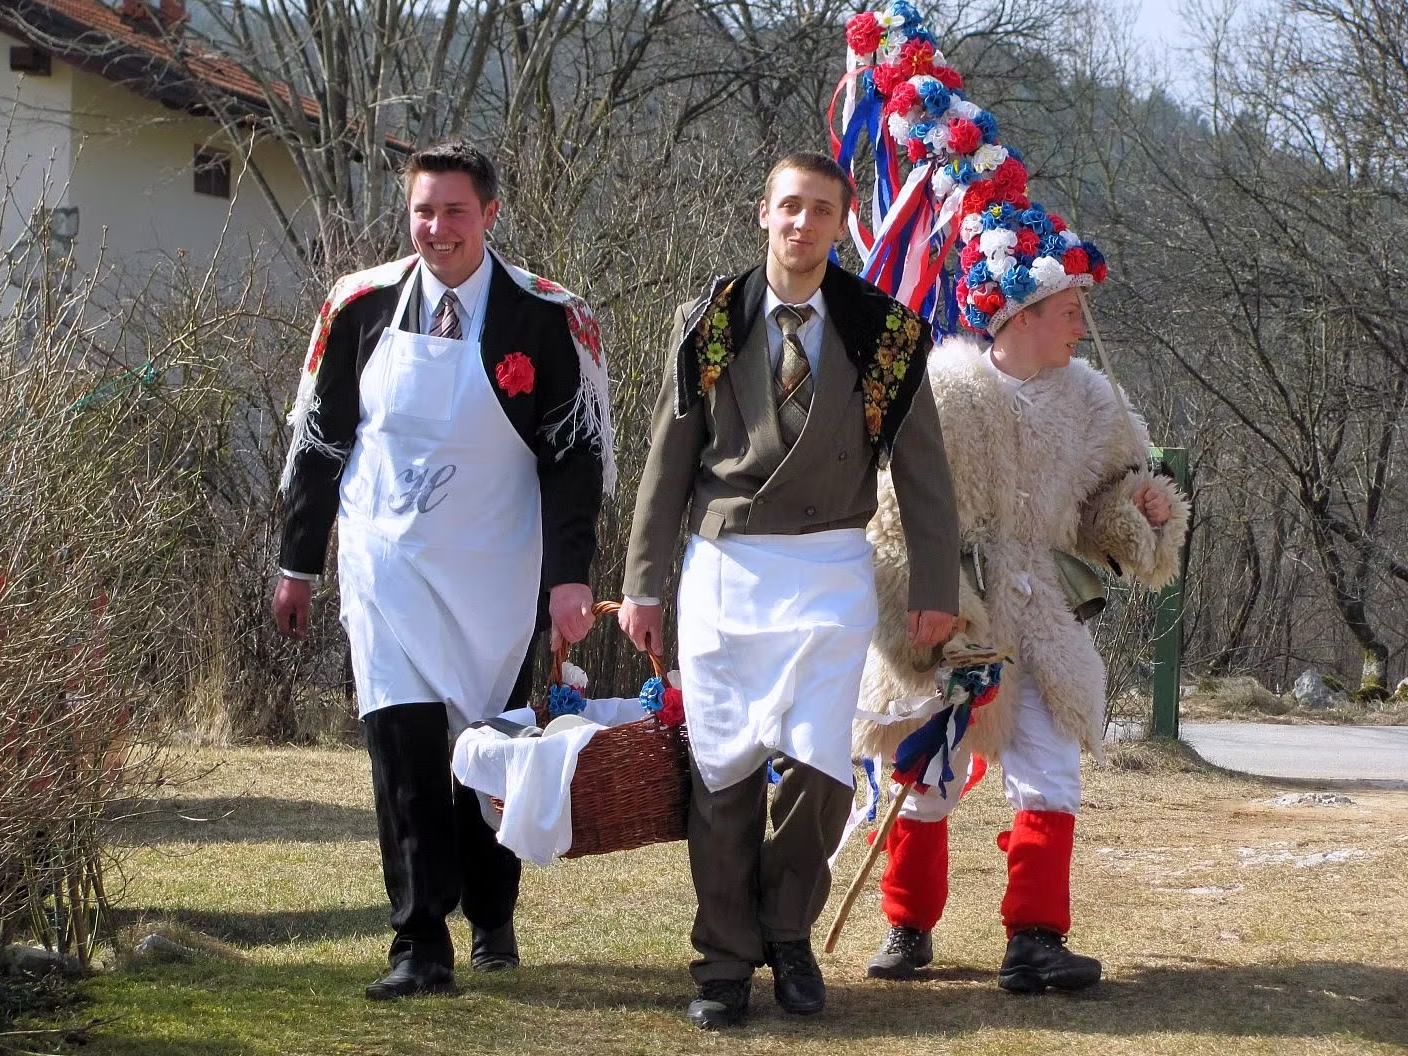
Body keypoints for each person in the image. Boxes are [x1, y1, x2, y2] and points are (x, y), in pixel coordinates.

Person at [618, 151, 960, 1030]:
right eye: (787, 208)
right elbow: (667, 463)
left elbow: (923, 472)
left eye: (819, 210)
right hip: (727, 569)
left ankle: (789, 935)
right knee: (722, 769)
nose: (801, 224)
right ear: (761, 214)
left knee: (818, 769)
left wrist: (933, 584)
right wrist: (644, 585)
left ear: (843, 223)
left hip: (829, 568)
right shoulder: (712, 323)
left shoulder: (885, 332)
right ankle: (724, 964)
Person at [272, 140, 614, 1000]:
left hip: (498, 572)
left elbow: (574, 456)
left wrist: (570, 574)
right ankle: (418, 942)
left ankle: (492, 912)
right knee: (403, 753)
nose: (437, 228)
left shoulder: (546, 315)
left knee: (486, 754)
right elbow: (320, 444)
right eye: (423, 211)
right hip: (387, 565)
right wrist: (298, 564)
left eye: (455, 211)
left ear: (490, 214)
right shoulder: (357, 307)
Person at [855, 188, 1189, 993]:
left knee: (1049, 767)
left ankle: (1035, 939)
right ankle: (907, 926)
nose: (1081, 322)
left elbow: (1108, 503)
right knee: (925, 773)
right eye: (1068, 306)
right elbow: (894, 524)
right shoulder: (942, 390)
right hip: (950, 605)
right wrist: (938, 624)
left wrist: (1141, 515)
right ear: (1022, 312)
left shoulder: (1093, 400)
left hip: (1042, 616)